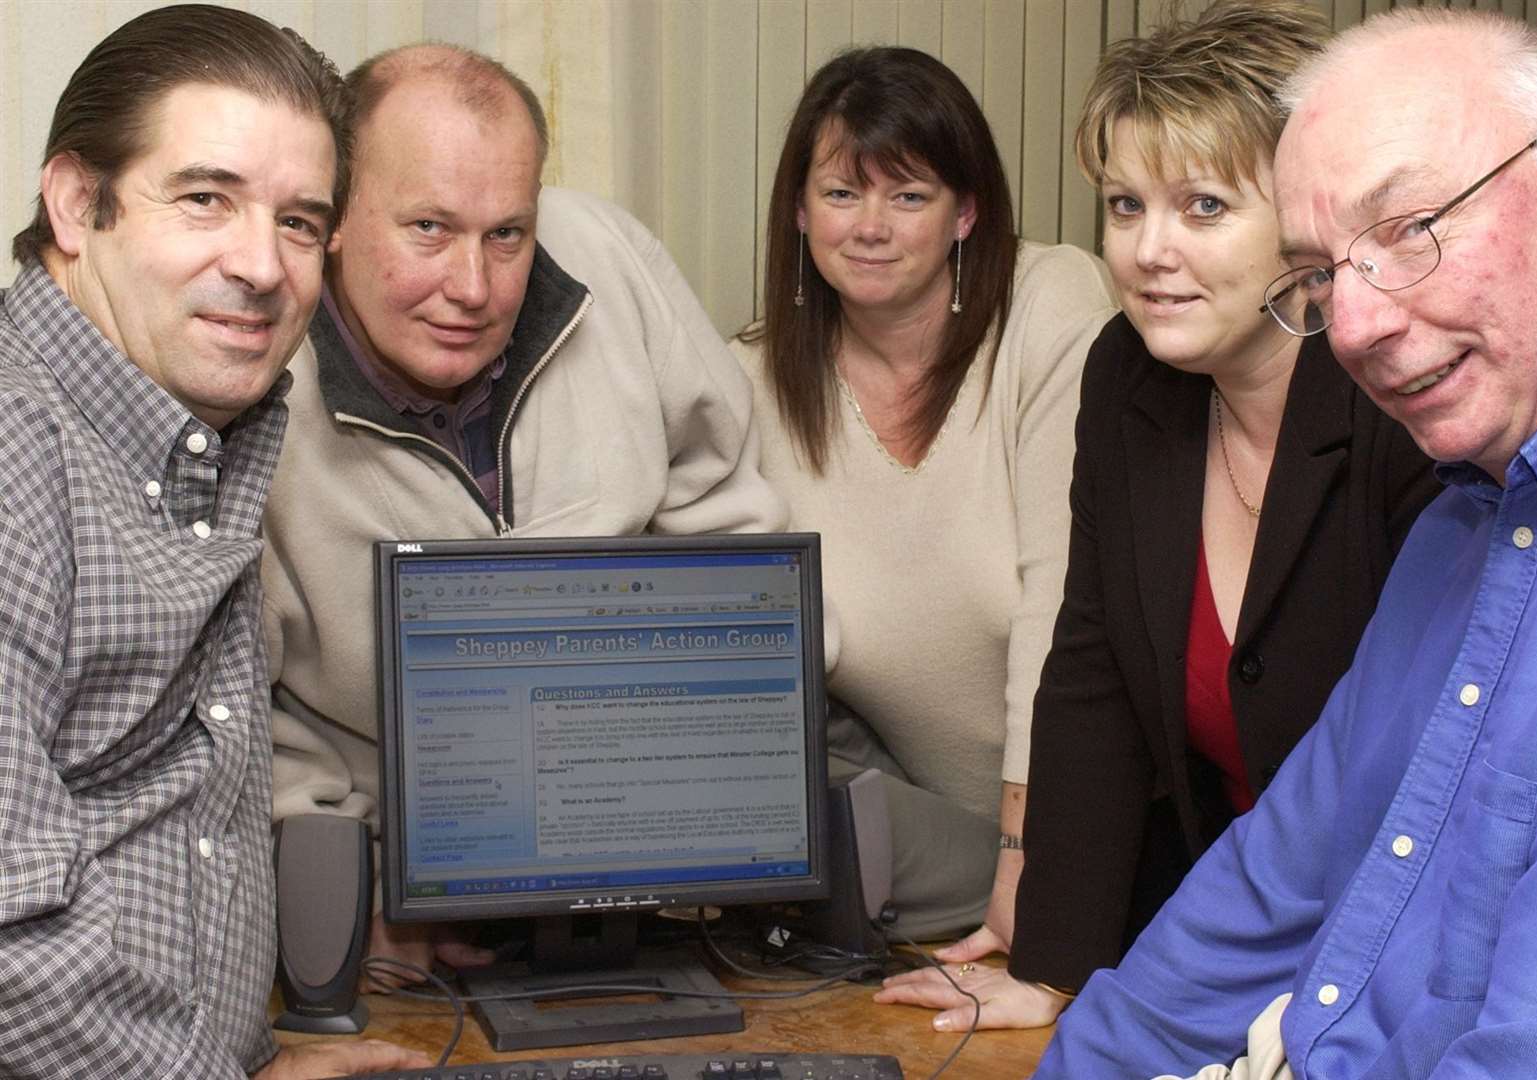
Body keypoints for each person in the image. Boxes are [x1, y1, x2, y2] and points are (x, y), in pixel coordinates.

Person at [1038, 7, 1537, 1078]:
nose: (1352, 324)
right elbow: (1268, 892)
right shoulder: (1468, 521)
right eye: (1321, 271)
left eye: (1408, 228)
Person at [876, 0, 1439, 1031]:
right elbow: (1091, 670)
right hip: (1219, 920)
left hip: (1405, 947)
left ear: (1308, 219)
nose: (1146, 251)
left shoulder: (1400, 403)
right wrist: (1051, 964)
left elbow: (1436, 757)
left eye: (1203, 207)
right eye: (1125, 206)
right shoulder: (1125, 372)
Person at [261, 44, 787, 970]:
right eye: (428, 227)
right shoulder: (251, 380)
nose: (473, 288)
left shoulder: (613, 261)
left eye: (508, 234)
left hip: (654, 821)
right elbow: (237, 711)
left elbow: (738, 535)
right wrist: (348, 885)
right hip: (390, 870)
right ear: (334, 213)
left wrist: (708, 790)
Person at [0, 6, 428, 1079]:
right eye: (205, 199)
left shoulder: (192, 437)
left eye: (297, 221)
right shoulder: (16, 456)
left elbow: (160, 832)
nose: (262, 265)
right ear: (74, 203)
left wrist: (247, 1052)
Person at [730, 46, 1114, 940]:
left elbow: (1063, 616)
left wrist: (1031, 867)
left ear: (965, 211)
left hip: (1092, 813)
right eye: (840, 193)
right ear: (798, 208)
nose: (871, 226)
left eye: (908, 196)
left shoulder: (1050, 308)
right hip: (931, 840)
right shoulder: (747, 382)